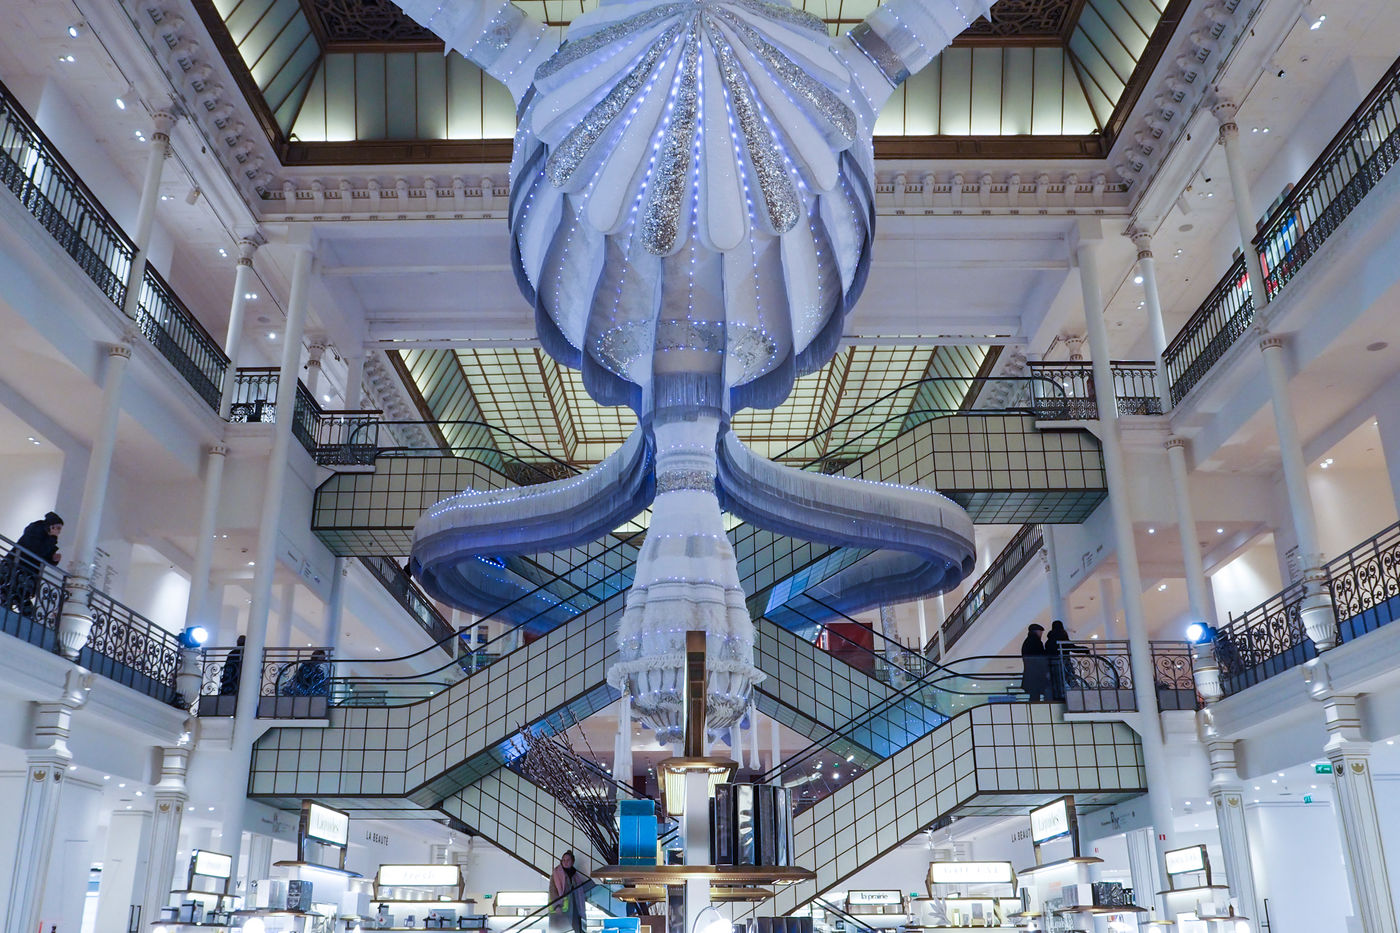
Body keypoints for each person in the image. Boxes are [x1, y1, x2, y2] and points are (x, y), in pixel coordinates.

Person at [2, 511, 63, 616]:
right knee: (9, 594)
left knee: (17, 597)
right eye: (58, 528)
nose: (59, 532)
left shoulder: (49, 539)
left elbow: (43, 557)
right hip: (16, 569)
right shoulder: (36, 529)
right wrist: (52, 538)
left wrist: (53, 560)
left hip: (26, 573)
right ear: (51, 526)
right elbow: (37, 550)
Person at [548, 851, 588, 933]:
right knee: (563, 929)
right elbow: (553, 891)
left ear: (572, 862)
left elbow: (579, 892)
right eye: (564, 860)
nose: (565, 862)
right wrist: (557, 906)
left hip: (575, 908)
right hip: (562, 908)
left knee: (577, 928)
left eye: (568, 860)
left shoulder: (575, 875)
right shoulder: (556, 874)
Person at [1020, 624, 1049, 702]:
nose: (1041, 634)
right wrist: (1045, 671)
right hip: (1037, 673)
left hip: (1030, 673)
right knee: (1038, 693)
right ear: (1037, 631)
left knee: (1034, 695)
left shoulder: (1027, 641)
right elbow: (1040, 657)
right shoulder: (1036, 642)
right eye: (1040, 632)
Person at [1044, 620, 1072, 700]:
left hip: (1052, 663)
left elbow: (1047, 652)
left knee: (1056, 681)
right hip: (1064, 662)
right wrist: (1084, 649)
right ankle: (1065, 697)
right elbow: (1071, 646)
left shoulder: (1049, 640)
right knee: (1067, 679)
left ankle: (1057, 697)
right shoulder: (1063, 637)